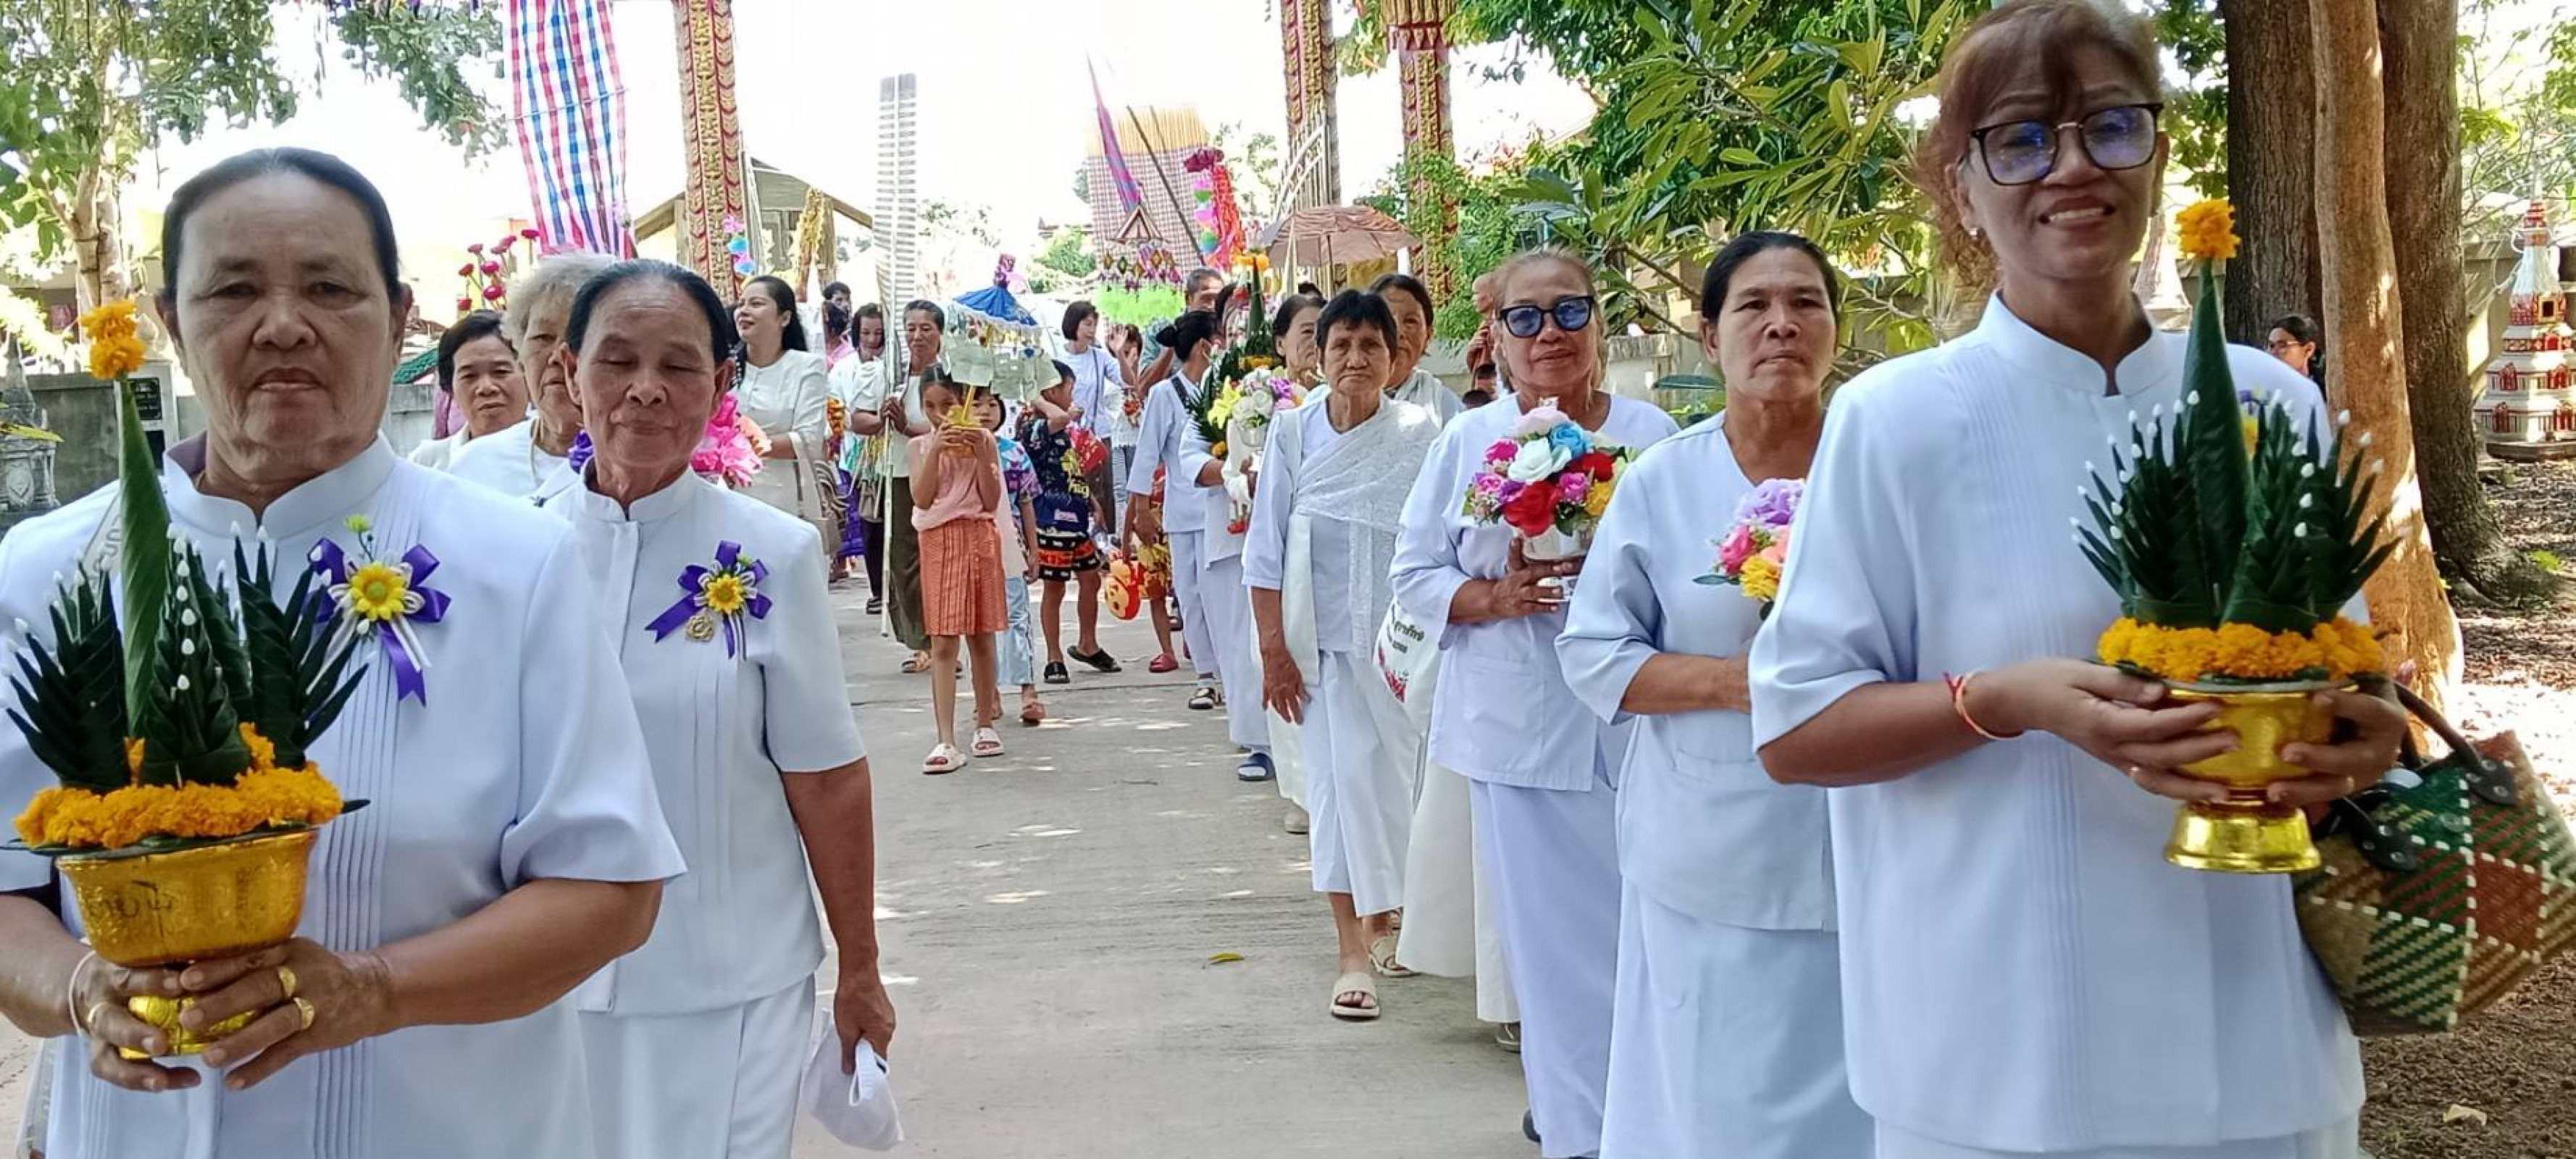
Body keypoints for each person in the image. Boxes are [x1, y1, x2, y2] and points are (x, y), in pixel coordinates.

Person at [1749, 5, 2405, 1158]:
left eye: (2109, 126)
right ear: (1961, 190)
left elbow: (2351, 688)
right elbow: (1797, 727)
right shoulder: (1893, 422)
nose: (2070, 168)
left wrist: (2360, 738)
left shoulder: (2268, 404)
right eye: (2020, 139)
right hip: (1999, 1066)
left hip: (2258, 1056)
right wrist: (2003, 703)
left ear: (2155, 154)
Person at [0, 147, 682, 1159]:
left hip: (448, 1127)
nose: (283, 324)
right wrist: (78, 988)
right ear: (170, 319)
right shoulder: (52, 570)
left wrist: (372, 990)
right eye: (233, 289)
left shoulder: (517, 564)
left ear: (399, 315)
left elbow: (611, 890)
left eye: (328, 287)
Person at [542, 259, 895, 1159]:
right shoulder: (514, 549)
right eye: (616, 361)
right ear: (569, 372)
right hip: (541, 977)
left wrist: (861, 964)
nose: (646, 391)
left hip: (733, 980)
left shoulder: (772, 554)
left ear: (722, 384)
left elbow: (826, 776)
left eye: (681, 365)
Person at [1557, 231, 1868, 1158]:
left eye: (1805, 303)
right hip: (1708, 844)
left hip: (1865, 832)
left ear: (1835, 331)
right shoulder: (1663, 481)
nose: (1781, 325)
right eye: (1753, 306)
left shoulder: (1880, 465)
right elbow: (1594, 652)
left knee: (1855, 1088)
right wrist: (1733, 686)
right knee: (1710, 1093)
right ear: (1708, 334)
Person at [1390, 248, 1680, 1159]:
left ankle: (1656, 1120)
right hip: (1518, 730)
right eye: (1525, 318)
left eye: (1567, 313)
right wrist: (1497, 597)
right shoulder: (1466, 444)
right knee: (1553, 960)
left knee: (1653, 940)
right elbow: (1413, 576)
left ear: (1598, 323)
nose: (1547, 333)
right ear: (1497, 340)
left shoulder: (1654, 435)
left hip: (1642, 727)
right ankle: (1577, 1133)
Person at [1247, 290, 1442, 1021]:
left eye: (1371, 346)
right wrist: (1273, 651)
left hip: (1403, 653)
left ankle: (1387, 917)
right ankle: (1350, 951)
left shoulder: (1423, 433)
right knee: (1335, 792)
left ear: (1395, 357)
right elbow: (1263, 554)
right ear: (1317, 357)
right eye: (1341, 346)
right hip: (1318, 653)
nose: (1356, 359)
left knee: (1397, 791)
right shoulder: (1294, 435)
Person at [1239, 292, 1324, 834]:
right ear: (1282, 342)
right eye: (1310, 333)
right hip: (1278, 561)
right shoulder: (1264, 400)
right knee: (1285, 675)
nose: (1319, 346)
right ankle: (1300, 790)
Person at [450, 251, 615, 501]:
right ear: (520, 352)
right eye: (542, 338)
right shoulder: (473, 466)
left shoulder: (644, 467)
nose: (559, 357)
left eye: (579, 338)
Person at [1126, 309, 1227, 711]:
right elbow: (1147, 453)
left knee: (1225, 597)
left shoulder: (1226, 391)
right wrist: (1139, 512)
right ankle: (1205, 675)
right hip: (1184, 514)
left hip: (1224, 510)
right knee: (1191, 596)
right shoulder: (1164, 395)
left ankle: (1233, 674)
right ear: (1206, 346)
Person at [911, 367, 1008, 773]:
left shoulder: (985, 441)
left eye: (949, 405)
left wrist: (984, 455)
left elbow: (990, 500)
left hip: (979, 535)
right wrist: (935, 449)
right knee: (944, 641)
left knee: (982, 636)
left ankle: (984, 723)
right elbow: (921, 496)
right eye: (931, 407)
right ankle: (945, 738)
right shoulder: (920, 445)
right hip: (938, 540)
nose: (940, 415)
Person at [850, 301, 942, 674]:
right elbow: (858, 418)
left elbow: (953, 427)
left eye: (925, 328)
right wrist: (883, 420)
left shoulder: (949, 375)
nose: (917, 336)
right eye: (911, 328)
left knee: (938, 559)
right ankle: (923, 640)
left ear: (939, 333)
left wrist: (906, 427)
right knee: (904, 561)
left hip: (942, 476)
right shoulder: (889, 375)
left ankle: (944, 638)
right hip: (899, 475)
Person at [732, 276, 839, 572]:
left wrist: (738, 446)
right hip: (730, 500)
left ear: (784, 317)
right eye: (741, 304)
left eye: (756, 303)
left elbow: (807, 440)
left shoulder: (806, 367)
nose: (743, 311)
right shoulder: (725, 370)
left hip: (789, 503)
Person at [1021, 360, 1118, 685]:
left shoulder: (1065, 432)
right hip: (1050, 519)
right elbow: (1059, 416)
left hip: (1077, 516)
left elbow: (1072, 471)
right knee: (1055, 586)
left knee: (1091, 579)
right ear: (1050, 391)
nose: (1071, 396)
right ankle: (1053, 655)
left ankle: (1088, 643)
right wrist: (1037, 397)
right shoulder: (1033, 426)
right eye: (1067, 388)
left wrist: (1092, 502)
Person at [979, 388, 1047, 726]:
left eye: (992, 404)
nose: (985, 411)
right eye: (976, 404)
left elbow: (1027, 503)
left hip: (1012, 546)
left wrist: (1034, 549)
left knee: (1017, 616)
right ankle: (987, 692)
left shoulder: (1015, 453)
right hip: (974, 546)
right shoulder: (960, 453)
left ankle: (1027, 690)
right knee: (980, 623)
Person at [409, 310, 527, 472]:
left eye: (500, 372)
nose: (486, 388)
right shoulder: (427, 465)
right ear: (450, 389)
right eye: (469, 376)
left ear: (527, 376)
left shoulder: (562, 459)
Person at [832, 303, 890, 603]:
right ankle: (877, 589)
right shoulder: (844, 369)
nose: (871, 339)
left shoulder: (894, 366)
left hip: (892, 456)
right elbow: (836, 410)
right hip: (859, 457)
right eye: (866, 332)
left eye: (878, 333)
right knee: (871, 524)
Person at [1063, 300, 1131, 543]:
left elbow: (1128, 382)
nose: (1092, 330)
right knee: (1073, 488)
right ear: (1073, 324)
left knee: (1104, 489)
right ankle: (1077, 539)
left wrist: (1120, 353)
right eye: (1087, 324)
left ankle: (1105, 542)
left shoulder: (1100, 357)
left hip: (1098, 434)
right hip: (1068, 435)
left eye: (1095, 325)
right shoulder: (1058, 357)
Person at [1371, 272, 1465, 424]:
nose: (1399, 332)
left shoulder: (1445, 406)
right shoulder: (1332, 404)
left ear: (1428, 336)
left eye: (1410, 321)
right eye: (1387, 319)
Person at [2269, 312, 2322, 382]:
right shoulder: (2264, 388)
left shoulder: (2326, 388)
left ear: (2308, 350)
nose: (2273, 353)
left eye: (2282, 346)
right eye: (2272, 346)